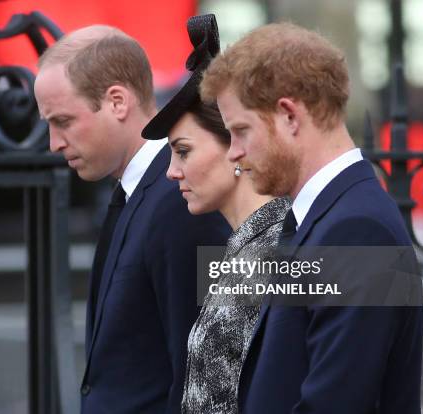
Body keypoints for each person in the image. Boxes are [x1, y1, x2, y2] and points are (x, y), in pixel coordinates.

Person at [200, 22, 423, 413]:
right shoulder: (323, 217)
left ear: (289, 116)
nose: (232, 152)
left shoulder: (356, 231)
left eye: (240, 130)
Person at [34, 25, 230, 413]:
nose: (54, 142)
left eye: (64, 121)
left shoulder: (180, 198)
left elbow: (200, 374)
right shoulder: (142, 191)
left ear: (117, 101)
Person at [142, 15, 290, 413]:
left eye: (184, 150)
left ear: (235, 141)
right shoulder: (243, 246)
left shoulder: (281, 247)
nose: (172, 171)